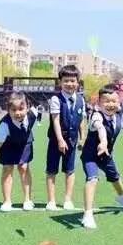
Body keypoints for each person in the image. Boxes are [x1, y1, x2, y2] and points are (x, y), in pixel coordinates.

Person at [79, 84, 123, 229]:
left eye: (114, 101)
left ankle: (121, 197)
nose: (110, 104)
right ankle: (87, 214)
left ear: (119, 102)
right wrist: (103, 142)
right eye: (106, 101)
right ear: (99, 103)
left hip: (106, 155)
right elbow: (101, 129)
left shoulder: (119, 115)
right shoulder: (96, 116)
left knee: (115, 178)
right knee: (92, 179)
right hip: (90, 155)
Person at [0, 92, 36, 212]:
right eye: (13, 110)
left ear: (27, 107)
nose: (18, 113)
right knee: (7, 169)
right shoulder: (4, 126)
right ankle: (7, 201)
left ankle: (27, 200)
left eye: (21, 109)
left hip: (25, 143)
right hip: (7, 145)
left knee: (23, 167)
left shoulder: (33, 114)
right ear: (8, 110)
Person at [45, 65, 87, 211]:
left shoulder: (81, 100)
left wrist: (83, 138)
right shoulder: (56, 99)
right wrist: (60, 140)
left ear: (78, 82)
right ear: (60, 82)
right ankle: (51, 201)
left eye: (73, 81)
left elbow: (82, 120)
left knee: (70, 170)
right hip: (56, 141)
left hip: (72, 141)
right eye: (66, 81)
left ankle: (68, 199)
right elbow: (55, 120)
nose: (70, 84)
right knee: (51, 170)